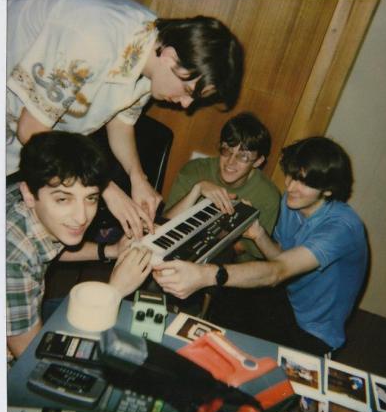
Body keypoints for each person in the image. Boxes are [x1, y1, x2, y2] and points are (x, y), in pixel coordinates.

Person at [6, 0, 244, 238]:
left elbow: (121, 122)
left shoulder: (153, 52)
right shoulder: (92, 39)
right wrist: (104, 187)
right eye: (187, 91)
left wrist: (137, 178)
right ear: (170, 57)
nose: (186, 104)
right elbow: (31, 130)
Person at [154, 137, 368, 356]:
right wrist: (257, 232)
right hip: (286, 301)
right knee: (225, 306)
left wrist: (207, 275)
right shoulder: (292, 203)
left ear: (328, 189)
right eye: (292, 175)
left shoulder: (342, 228)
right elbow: (281, 257)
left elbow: (278, 271)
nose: (291, 186)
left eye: (304, 182)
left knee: (247, 361)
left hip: (313, 331)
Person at [6, 131, 152, 360]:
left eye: (91, 198)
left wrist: (111, 250)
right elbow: (32, 359)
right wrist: (113, 292)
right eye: (63, 199)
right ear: (29, 193)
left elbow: (46, 248)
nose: (81, 217)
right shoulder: (12, 262)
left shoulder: (23, 202)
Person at [164, 112, 280, 262]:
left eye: (243, 156)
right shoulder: (194, 170)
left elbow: (242, 249)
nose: (231, 162)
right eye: (226, 151)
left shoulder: (268, 195)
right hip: (178, 251)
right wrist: (197, 189)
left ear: (257, 162)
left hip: (231, 267)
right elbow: (164, 225)